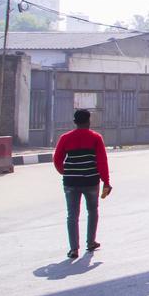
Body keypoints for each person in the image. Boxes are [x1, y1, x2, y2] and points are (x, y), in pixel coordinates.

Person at [53, 108, 112, 260]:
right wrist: (106, 181)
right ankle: (91, 242)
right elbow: (102, 161)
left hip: (71, 182)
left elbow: (57, 159)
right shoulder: (95, 138)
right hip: (91, 181)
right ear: (89, 121)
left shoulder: (65, 138)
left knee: (72, 215)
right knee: (92, 211)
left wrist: (65, 172)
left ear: (75, 122)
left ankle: (74, 249)